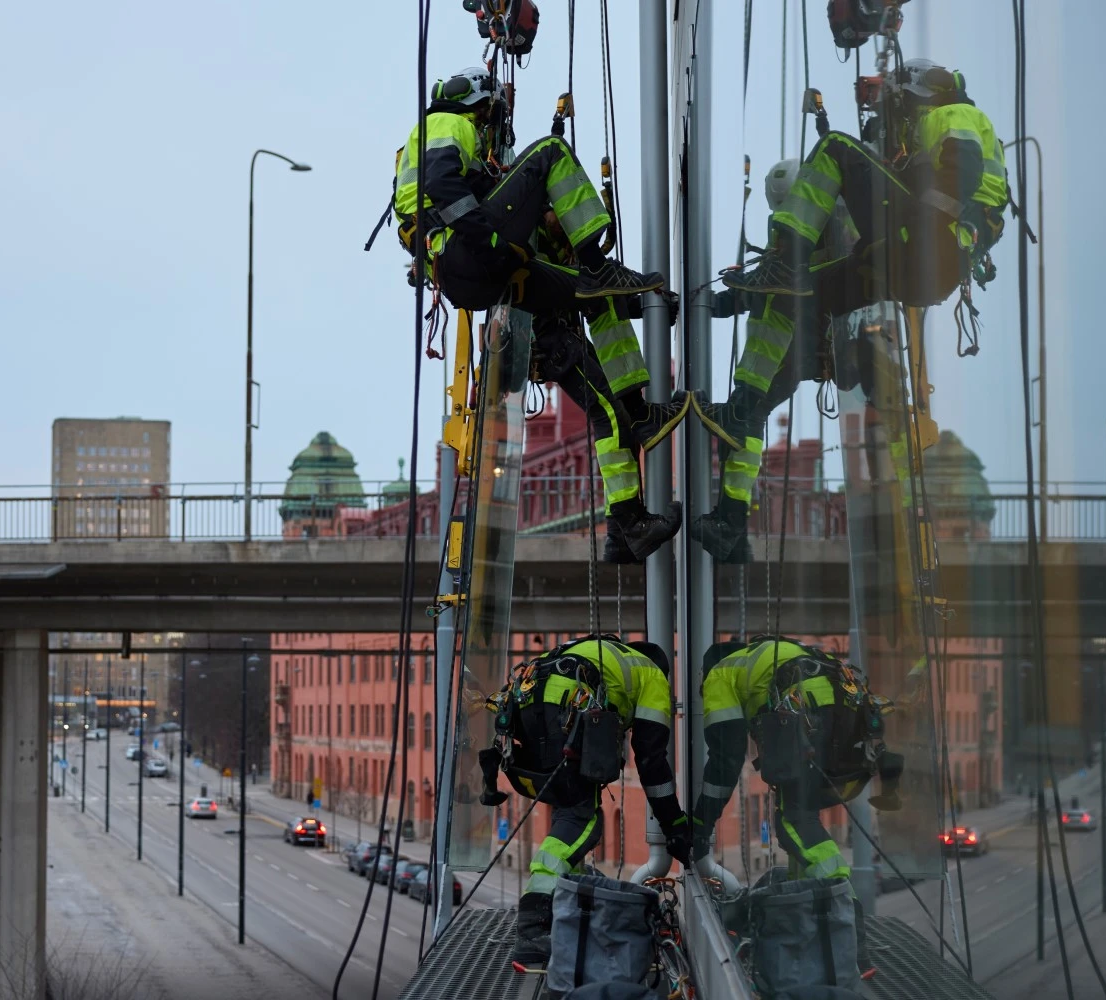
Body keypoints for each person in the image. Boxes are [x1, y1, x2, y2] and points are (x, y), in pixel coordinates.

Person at [691, 59, 1009, 562]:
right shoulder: (925, 142)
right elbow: (812, 284)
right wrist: (734, 298)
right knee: (753, 395)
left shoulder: (952, 118)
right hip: (909, 265)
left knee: (835, 149)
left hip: (920, 248)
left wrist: (915, 223)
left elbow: (956, 171)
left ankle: (744, 517)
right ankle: (730, 526)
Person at [395, 66, 690, 560]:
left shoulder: (439, 154)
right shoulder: (450, 125)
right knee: (552, 156)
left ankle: (628, 513)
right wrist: (488, 239)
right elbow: (443, 185)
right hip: (497, 283)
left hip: (483, 275)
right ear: (481, 105)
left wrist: (647, 302)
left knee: (599, 314)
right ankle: (629, 512)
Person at [478, 635, 694, 971]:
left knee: (569, 808)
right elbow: (652, 760)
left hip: (528, 705)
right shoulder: (652, 675)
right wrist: (675, 825)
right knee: (584, 820)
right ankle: (533, 929)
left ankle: (564, 920)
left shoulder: (600, 653)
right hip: (565, 709)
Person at [689, 637, 902, 905]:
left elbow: (726, 759)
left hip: (806, 711)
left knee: (794, 820)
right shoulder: (768, 654)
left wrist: (700, 825)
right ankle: (806, 902)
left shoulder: (720, 674)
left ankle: (841, 900)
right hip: (845, 706)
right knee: (804, 805)